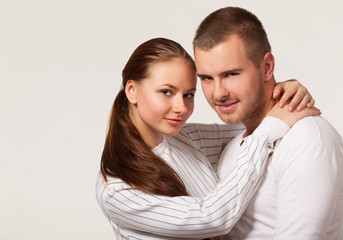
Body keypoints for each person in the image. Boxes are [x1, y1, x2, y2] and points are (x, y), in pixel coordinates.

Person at [96, 37, 319, 239]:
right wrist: (269, 128)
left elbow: (253, 122)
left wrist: (281, 95)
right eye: (166, 92)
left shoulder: (189, 138)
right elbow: (211, 219)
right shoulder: (115, 189)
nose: (181, 107)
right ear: (131, 90)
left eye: (189, 95)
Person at [193, 7, 343, 240]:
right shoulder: (235, 144)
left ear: (266, 67)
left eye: (231, 74)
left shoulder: (308, 139)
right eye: (207, 78)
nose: (218, 93)